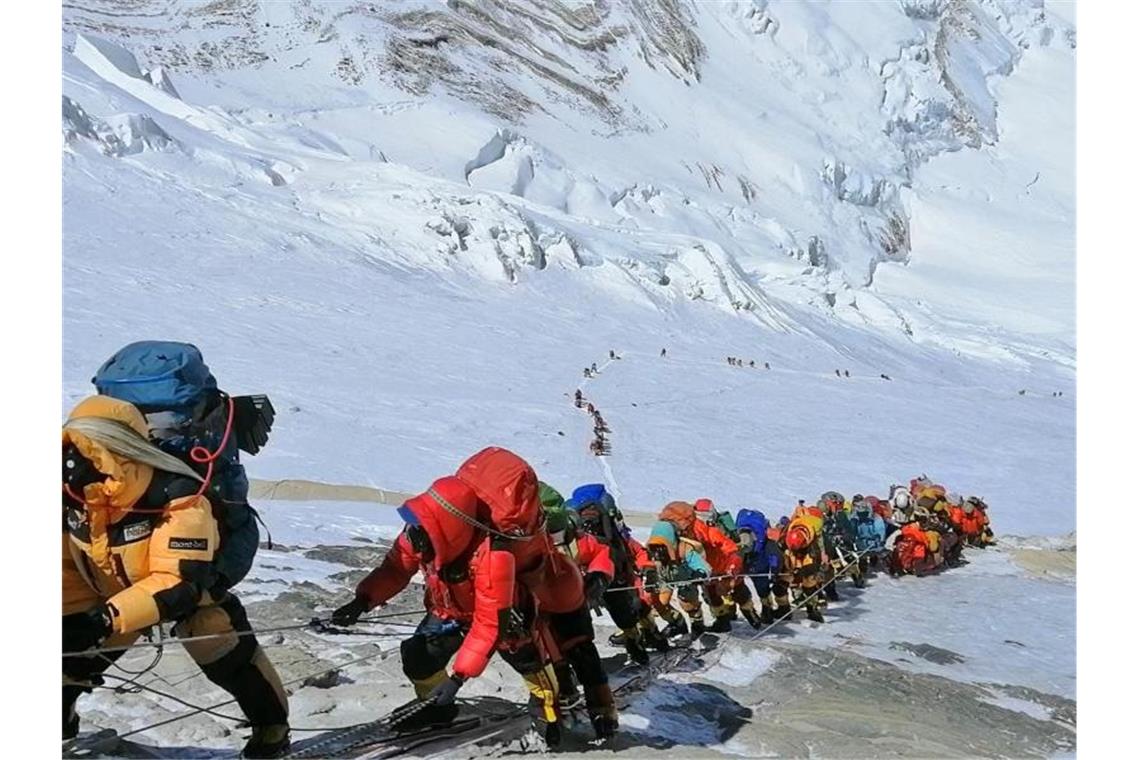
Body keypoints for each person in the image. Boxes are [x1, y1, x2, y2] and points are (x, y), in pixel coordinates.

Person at [62, 396, 290, 758]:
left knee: (225, 655)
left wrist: (104, 620)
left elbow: (178, 580)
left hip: (191, 592)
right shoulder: (74, 491)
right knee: (64, 661)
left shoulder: (179, 495)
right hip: (114, 598)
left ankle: (272, 733)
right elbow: (66, 566)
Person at [566, 485, 661, 664]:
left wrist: (648, 568)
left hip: (599, 583)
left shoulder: (584, 540)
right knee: (628, 614)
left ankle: (643, 638)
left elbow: (636, 551)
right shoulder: (614, 535)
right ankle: (640, 643)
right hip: (611, 582)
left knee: (632, 612)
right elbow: (636, 550)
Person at [660, 501, 746, 633]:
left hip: (710, 567)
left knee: (712, 593)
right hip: (688, 566)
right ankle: (699, 624)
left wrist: (730, 568)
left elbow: (729, 548)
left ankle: (720, 620)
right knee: (689, 596)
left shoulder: (704, 530)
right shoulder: (673, 531)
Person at [644, 518, 711, 638]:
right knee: (659, 602)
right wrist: (649, 574)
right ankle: (677, 623)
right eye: (655, 546)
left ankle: (697, 624)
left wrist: (700, 573)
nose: (658, 551)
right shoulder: (652, 551)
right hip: (665, 578)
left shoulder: (684, 549)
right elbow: (647, 563)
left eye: (662, 546)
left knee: (688, 602)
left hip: (686, 579)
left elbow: (700, 564)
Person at [734, 509, 782, 625]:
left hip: (753, 565)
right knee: (762, 588)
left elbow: (774, 555)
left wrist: (774, 571)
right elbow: (774, 555)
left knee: (755, 588)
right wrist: (775, 571)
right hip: (758, 565)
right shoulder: (764, 542)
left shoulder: (761, 542)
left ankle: (762, 611)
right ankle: (766, 611)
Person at [780, 516, 826, 623]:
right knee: (781, 582)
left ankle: (812, 609)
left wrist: (800, 572)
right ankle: (784, 609)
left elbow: (813, 567)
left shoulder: (813, 548)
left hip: (807, 562)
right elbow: (781, 550)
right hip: (791, 557)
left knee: (809, 583)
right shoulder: (786, 533)